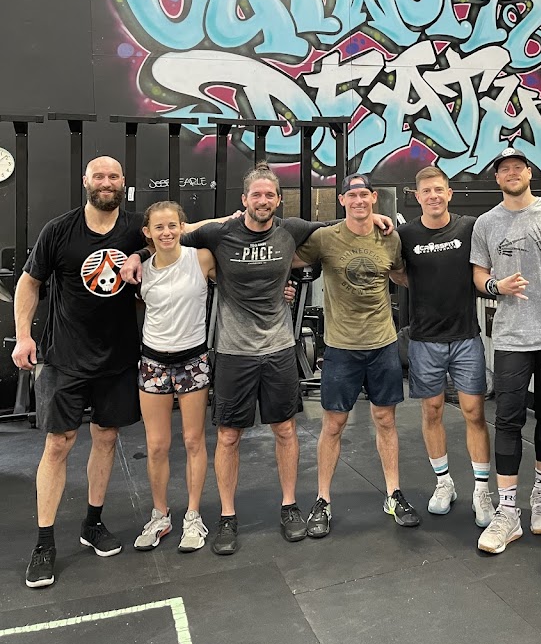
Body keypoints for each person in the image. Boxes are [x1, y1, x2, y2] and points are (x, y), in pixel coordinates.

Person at [122, 163, 393, 555]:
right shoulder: (220, 233)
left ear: (278, 200)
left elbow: (339, 226)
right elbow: (170, 235)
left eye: (269, 195)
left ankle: (289, 506)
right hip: (234, 352)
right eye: (256, 194)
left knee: (285, 430)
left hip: (279, 349)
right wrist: (136, 254)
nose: (263, 201)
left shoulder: (291, 229)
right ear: (244, 199)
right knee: (228, 436)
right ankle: (227, 516)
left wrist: (372, 217)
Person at [13, 156, 221, 589]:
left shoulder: (134, 229)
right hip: (65, 357)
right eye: (99, 176)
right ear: (85, 180)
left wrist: (236, 217)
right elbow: (29, 282)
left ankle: (92, 523)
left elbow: (185, 229)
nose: (106, 182)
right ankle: (44, 543)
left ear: (123, 182)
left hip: (118, 359)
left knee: (106, 438)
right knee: (58, 444)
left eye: (113, 176)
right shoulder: (59, 230)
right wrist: (23, 336)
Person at [295, 173, 420, 536]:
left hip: (382, 343)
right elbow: (287, 259)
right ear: (342, 201)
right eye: (352, 196)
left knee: (386, 420)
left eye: (365, 195)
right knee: (333, 424)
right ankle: (323, 499)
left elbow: (401, 274)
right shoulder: (325, 238)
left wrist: (446, 280)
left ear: (373, 197)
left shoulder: (390, 237)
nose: (359, 200)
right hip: (341, 347)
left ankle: (393, 494)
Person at [470, 148, 541, 554]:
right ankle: (508, 510)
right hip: (512, 336)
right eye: (504, 170)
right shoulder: (486, 223)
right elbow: (479, 275)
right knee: (508, 420)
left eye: (518, 167)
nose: (511, 173)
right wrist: (496, 287)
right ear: (497, 179)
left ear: (529, 173)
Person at [394, 165, 493, 528]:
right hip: (424, 340)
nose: (433, 196)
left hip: (465, 336)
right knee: (432, 411)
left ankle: (482, 490)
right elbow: (395, 269)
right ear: (417, 196)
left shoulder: (470, 228)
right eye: (427, 191)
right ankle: (444, 483)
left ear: (449, 193)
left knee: (474, 413)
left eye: (439, 190)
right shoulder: (406, 234)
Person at [133, 201, 216, 554]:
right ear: (147, 233)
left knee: (194, 440)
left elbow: (240, 272)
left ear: (183, 227)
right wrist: (137, 256)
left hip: (192, 361)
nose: (166, 232)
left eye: (172, 225)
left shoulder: (201, 259)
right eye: (159, 227)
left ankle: (193, 516)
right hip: (153, 362)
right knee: (156, 445)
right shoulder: (140, 271)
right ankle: (160, 515)